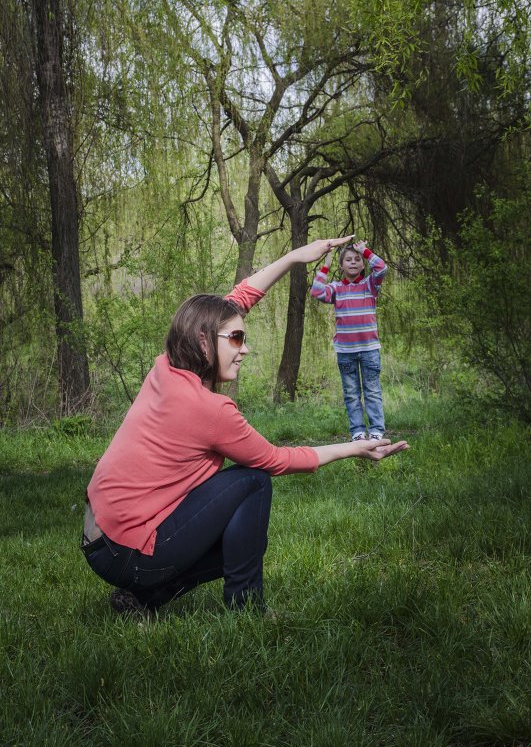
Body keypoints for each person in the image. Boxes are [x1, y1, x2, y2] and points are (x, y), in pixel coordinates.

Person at [82, 237, 407, 617]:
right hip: (126, 553)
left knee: (243, 540)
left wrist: (296, 257)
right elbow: (276, 460)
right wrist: (355, 447)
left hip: (99, 539)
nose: (245, 348)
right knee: (252, 481)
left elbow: (238, 300)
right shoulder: (210, 409)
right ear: (204, 342)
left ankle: (143, 599)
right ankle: (247, 609)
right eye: (236, 338)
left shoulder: (167, 366)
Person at [310, 240, 387, 441]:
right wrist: (326, 264)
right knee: (352, 394)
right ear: (342, 266)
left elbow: (381, 267)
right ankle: (358, 432)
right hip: (346, 352)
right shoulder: (336, 289)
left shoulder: (370, 285)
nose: (353, 262)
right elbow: (317, 291)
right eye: (348, 260)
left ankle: (377, 431)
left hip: (370, 350)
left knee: (372, 391)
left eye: (357, 259)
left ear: (362, 265)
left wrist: (365, 251)